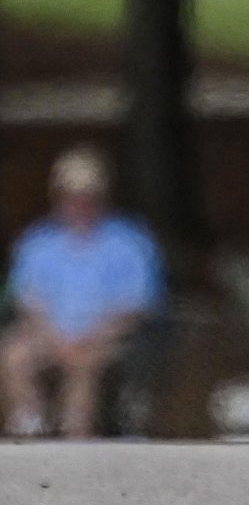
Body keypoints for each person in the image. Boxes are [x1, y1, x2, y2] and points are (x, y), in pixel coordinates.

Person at [2, 147, 164, 438]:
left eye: (87, 196)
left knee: (84, 363)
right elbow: (29, 299)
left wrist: (90, 337)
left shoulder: (128, 242)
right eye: (71, 195)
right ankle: (28, 425)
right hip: (48, 333)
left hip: (105, 336)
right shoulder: (39, 241)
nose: (78, 203)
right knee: (13, 354)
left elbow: (135, 304)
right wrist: (54, 338)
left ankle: (76, 434)